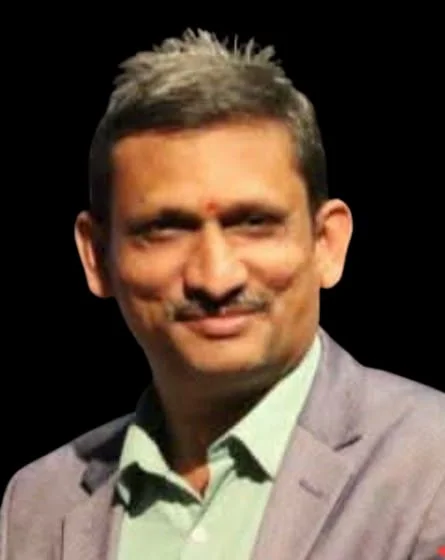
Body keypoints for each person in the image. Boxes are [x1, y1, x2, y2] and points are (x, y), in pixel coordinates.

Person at [1, 29, 444, 560]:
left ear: (326, 243)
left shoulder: (430, 464)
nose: (215, 278)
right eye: (165, 229)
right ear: (97, 256)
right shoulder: (39, 504)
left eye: (254, 223)